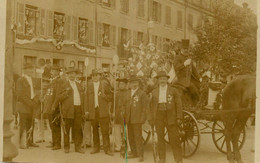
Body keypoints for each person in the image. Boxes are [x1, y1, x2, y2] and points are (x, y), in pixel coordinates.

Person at [148, 71, 183, 163]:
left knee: (174, 138)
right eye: (160, 79)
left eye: (164, 79)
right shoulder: (154, 92)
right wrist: (151, 118)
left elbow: (179, 104)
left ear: (167, 80)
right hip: (158, 116)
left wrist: (179, 117)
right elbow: (150, 106)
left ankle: (178, 159)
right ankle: (162, 158)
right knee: (160, 138)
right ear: (158, 81)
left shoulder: (173, 91)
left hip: (170, 115)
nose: (162, 80)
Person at [85, 68, 114, 156]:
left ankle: (107, 149)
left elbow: (111, 96)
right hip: (93, 110)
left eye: (96, 75)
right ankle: (96, 148)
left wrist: (106, 97)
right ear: (91, 77)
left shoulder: (104, 84)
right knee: (94, 130)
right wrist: (86, 110)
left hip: (103, 110)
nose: (95, 77)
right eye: (93, 76)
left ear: (100, 76)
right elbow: (86, 98)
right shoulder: (89, 85)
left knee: (105, 130)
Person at [56, 67, 84, 154]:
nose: (72, 75)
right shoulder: (63, 85)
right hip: (67, 110)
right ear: (67, 75)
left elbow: (82, 97)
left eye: (74, 73)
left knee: (77, 129)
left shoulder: (79, 85)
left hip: (78, 108)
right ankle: (66, 147)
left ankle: (78, 147)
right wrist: (66, 92)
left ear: (76, 75)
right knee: (66, 129)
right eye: (70, 74)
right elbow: (58, 97)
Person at [123, 75, 147, 162]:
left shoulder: (142, 94)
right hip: (129, 118)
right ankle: (134, 152)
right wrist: (124, 115)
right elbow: (124, 105)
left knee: (138, 137)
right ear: (130, 84)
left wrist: (143, 118)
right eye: (132, 83)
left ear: (138, 84)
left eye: (136, 83)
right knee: (130, 137)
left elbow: (145, 108)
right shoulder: (128, 93)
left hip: (137, 119)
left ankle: (140, 155)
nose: (134, 84)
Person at [16, 63, 40, 148]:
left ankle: (30, 141)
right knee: (23, 124)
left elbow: (35, 92)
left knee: (31, 123)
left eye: (31, 69)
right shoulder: (20, 80)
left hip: (31, 105)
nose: (31, 71)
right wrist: (30, 103)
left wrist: (35, 101)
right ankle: (22, 143)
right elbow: (20, 95)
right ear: (24, 70)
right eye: (29, 69)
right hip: (24, 106)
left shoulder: (32, 79)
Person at [173, 39, 200, 105]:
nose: (186, 50)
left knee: (200, 86)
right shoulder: (177, 57)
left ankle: (195, 103)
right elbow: (176, 67)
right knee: (193, 88)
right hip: (180, 80)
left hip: (188, 79)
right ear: (181, 49)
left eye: (187, 49)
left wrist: (200, 78)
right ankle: (197, 103)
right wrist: (184, 64)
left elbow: (194, 70)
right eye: (184, 48)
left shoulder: (189, 58)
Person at [43, 65, 62, 150]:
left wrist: (54, 106)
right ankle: (54, 142)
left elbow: (57, 95)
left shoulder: (59, 81)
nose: (52, 72)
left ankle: (57, 144)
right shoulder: (52, 81)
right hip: (49, 107)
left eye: (54, 71)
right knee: (52, 126)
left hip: (55, 107)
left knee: (56, 125)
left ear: (58, 72)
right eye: (52, 71)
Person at [112, 78, 128, 152]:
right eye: (120, 84)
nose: (121, 86)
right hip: (117, 113)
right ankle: (118, 145)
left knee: (125, 130)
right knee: (117, 129)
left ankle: (126, 145)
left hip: (124, 113)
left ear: (125, 85)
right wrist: (113, 112)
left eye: (123, 84)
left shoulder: (128, 93)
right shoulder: (116, 93)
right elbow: (113, 104)